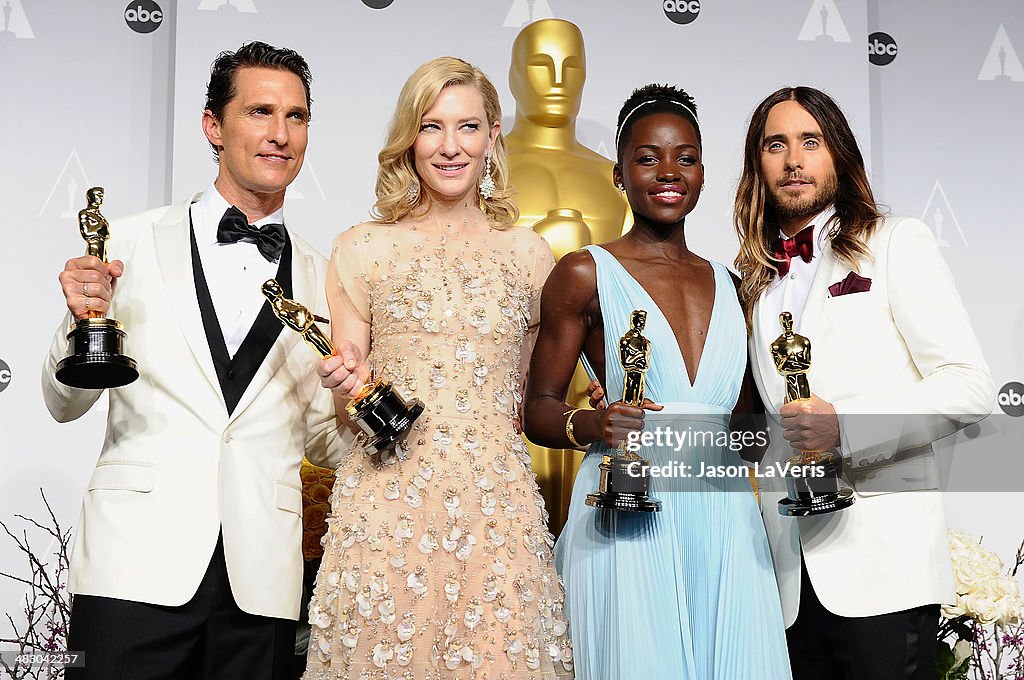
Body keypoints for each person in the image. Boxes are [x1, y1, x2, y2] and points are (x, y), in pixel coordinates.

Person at [43, 42, 359, 680]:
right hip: (132, 569)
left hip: (261, 581)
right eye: (260, 112)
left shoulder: (327, 278)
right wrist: (77, 324)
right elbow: (62, 402)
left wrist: (354, 405)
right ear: (213, 126)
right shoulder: (127, 242)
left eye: (296, 117)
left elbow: (326, 443)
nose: (279, 134)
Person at [302, 56, 574, 679]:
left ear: (494, 133)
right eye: (431, 127)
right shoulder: (362, 247)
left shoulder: (531, 256)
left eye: (467, 127)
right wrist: (347, 389)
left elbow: (535, 402)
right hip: (385, 507)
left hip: (497, 514)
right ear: (409, 138)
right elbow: (352, 404)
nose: (450, 147)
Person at [523, 84, 792, 680]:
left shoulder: (735, 284)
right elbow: (537, 411)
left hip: (724, 522)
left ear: (701, 171)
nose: (668, 172)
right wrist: (592, 422)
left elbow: (745, 428)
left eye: (685, 157)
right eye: (647, 158)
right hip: (627, 512)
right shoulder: (583, 273)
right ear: (619, 173)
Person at [733, 86, 995, 679]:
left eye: (811, 141)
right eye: (776, 145)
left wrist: (845, 428)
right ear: (758, 165)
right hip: (787, 579)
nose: (793, 159)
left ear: (839, 155)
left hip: (885, 570)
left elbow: (969, 386)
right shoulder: (751, 279)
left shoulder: (897, 242)